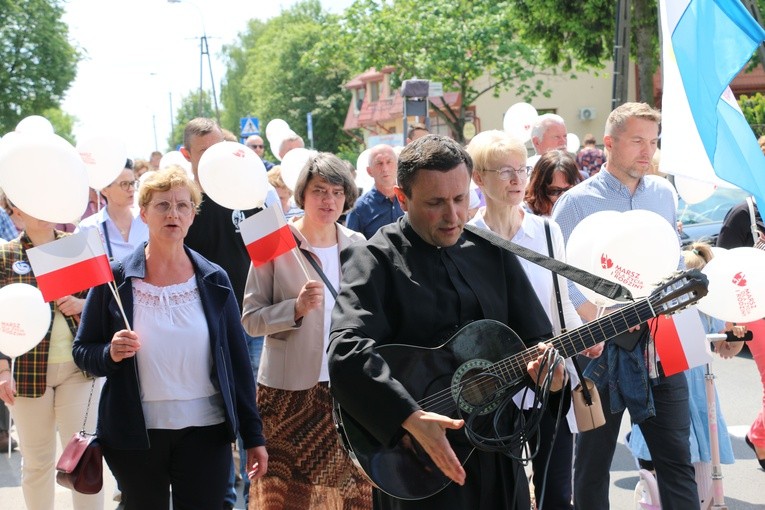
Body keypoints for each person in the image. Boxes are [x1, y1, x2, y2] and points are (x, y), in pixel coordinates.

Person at [328, 134, 568, 510]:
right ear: (402, 198)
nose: (453, 216)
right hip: (417, 464)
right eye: (435, 203)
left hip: (496, 455)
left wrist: (550, 375)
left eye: (460, 200)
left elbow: (537, 338)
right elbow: (345, 350)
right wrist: (408, 415)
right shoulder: (374, 258)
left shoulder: (493, 252)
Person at [72, 166, 268, 509]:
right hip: (135, 435)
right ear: (143, 213)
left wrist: (253, 436)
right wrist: (110, 352)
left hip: (207, 433)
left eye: (182, 205)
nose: (173, 213)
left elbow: (238, 364)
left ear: (193, 215)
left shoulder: (214, 279)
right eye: (162, 205)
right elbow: (83, 351)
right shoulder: (114, 279)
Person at [552, 102, 699, 509]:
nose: (646, 151)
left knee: (675, 460)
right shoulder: (576, 203)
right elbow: (560, 278)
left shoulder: (664, 194)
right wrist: (594, 323)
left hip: (657, 343)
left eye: (652, 142)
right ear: (611, 143)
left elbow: (670, 259)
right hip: (598, 349)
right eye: (637, 141)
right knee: (593, 465)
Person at [466, 130, 600, 509]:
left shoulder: (546, 230)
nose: (516, 179)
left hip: (552, 378)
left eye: (521, 169)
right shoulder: (465, 237)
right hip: (492, 388)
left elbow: (561, 303)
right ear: (478, 177)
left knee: (557, 492)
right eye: (504, 170)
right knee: (502, 495)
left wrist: (585, 335)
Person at [242, 152, 371, 509]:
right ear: (303, 194)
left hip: (347, 391)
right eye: (319, 191)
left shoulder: (358, 244)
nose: (328, 200)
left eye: (336, 191)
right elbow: (251, 319)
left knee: (349, 493)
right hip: (288, 394)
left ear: (347, 197)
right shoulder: (275, 240)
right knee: (287, 496)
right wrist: (294, 309)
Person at [180, 117, 275, 508]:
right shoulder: (182, 202)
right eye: (204, 151)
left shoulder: (252, 191)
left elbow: (274, 255)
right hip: (201, 326)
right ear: (187, 156)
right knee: (215, 414)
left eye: (220, 147)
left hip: (252, 322)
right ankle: (223, 496)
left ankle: (257, 497)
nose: (215, 158)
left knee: (254, 411)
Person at [626, 242, 747, 507]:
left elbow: (726, 349)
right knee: (659, 469)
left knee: (700, 474)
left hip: (700, 396)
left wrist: (736, 332)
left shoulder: (708, 310)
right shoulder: (661, 311)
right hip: (666, 392)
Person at [0, 200, 102, 510]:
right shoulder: (6, 255)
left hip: (78, 368)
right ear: (15, 209)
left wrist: (83, 306)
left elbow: (106, 302)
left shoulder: (76, 246)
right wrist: (3, 371)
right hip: (27, 373)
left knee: (84, 459)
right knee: (37, 462)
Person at [717, 195, 765, 469]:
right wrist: (730, 324)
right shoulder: (743, 213)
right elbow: (722, 269)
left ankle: (758, 433)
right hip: (755, 310)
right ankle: (759, 437)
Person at [77, 159, 149, 262]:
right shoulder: (89, 228)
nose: (131, 189)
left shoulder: (148, 221)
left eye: (133, 183)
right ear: (105, 190)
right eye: (124, 184)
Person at [345, 144, 403, 239]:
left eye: (389, 162)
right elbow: (351, 246)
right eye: (379, 163)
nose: (385, 168)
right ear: (369, 171)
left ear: (398, 166)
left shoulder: (410, 200)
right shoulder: (359, 209)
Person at [525, 150, 584, 217]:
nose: (562, 196)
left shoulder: (582, 209)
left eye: (568, 190)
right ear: (540, 189)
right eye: (554, 191)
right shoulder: (527, 214)